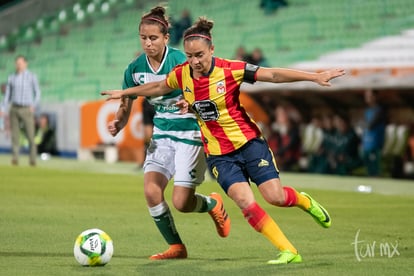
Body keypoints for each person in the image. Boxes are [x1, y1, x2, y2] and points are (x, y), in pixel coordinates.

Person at [101, 17, 345, 264]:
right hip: (219, 154)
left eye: (199, 55)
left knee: (275, 197)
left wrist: (314, 77)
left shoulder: (232, 69)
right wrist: (125, 92)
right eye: (189, 56)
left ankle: (304, 201)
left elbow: (272, 74)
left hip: (249, 143)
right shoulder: (181, 74)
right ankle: (288, 251)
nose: (194, 62)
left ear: (212, 50)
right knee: (244, 201)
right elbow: (158, 88)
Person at [106, 7, 230, 260]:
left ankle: (212, 204)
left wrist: (190, 101)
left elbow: (203, 86)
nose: (148, 43)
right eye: (143, 38)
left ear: (165, 38)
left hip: (192, 134)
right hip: (163, 135)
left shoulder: (182, 60)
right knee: (151, 191)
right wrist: (119, 122)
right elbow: (125, 104)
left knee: (182, 203)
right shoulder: (134, 69)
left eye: (153, 38)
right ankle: (176, 247)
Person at [3, 55, 41, 166]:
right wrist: (4, 107)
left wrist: (34, 105)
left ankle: (32, 159)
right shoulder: (12, 77)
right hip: (14, 107)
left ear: (25, 63)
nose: (18, 65)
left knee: (30, 134)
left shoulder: (31, 76)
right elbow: (7, 95)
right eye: (17, 63)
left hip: (26, 108)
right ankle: (15, 157)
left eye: (20, 63)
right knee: (15, 135)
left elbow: (37, 92)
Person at [361, 89, 386, 176]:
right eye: (366, 96)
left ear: (375, 97)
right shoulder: (367, 110)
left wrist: (363, 124)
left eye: (370, 96)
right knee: (369, 168)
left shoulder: (380, 110)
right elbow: (364, 127)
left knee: (376, 169)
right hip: (366, 144)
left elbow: (370, 125)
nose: (367, 98)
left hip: (376, 144)